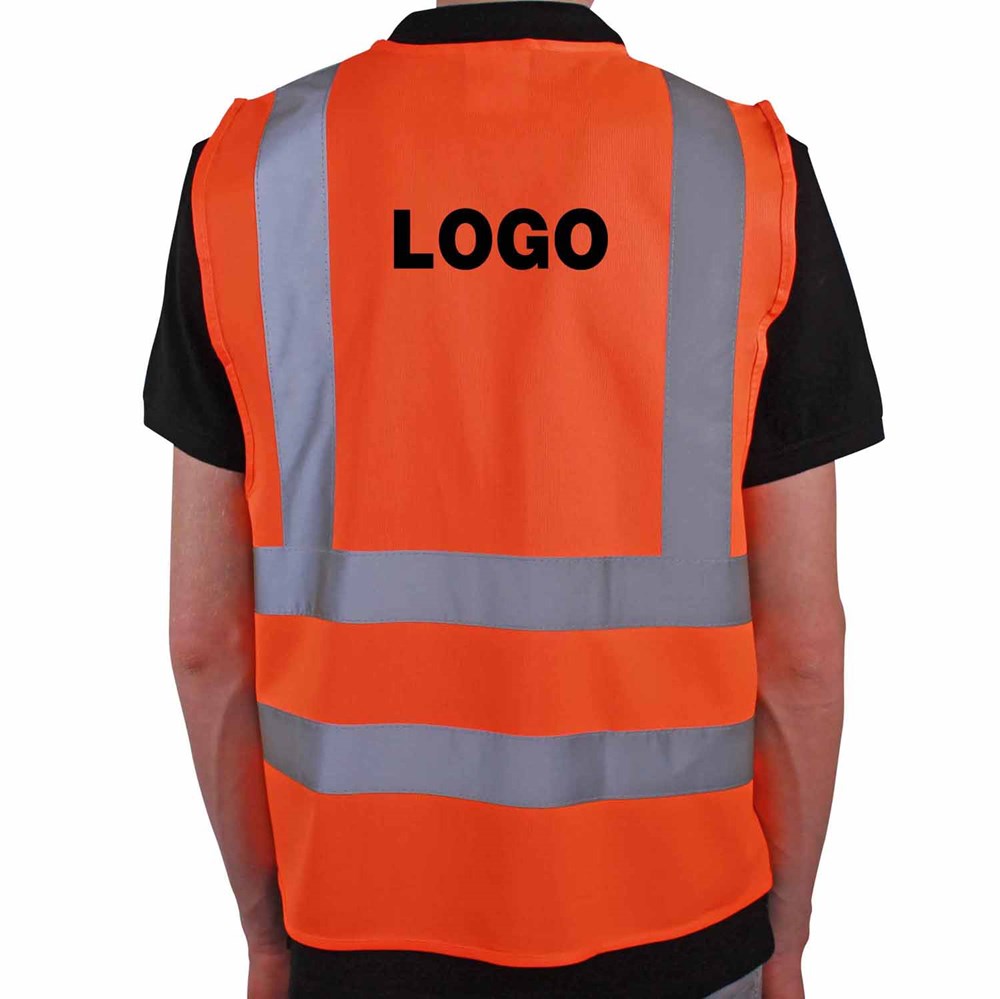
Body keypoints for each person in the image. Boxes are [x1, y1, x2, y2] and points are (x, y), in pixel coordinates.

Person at [144, 2, 883, 996]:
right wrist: (783, 940)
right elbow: (803, 651)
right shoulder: (745, 173)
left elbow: (205, 640)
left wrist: (267, 938)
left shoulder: (250, 174)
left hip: (358, 924)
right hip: (682, 923)